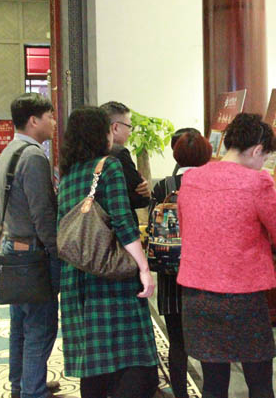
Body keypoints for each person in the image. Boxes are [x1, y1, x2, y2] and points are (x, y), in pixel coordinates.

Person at [176, 113, 276, 398]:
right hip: (242, 299)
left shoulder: (192, 178)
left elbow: (188, 231)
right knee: (259, 384)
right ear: (257, 150)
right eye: (265, 157)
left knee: (213, 385)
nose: (263, 164)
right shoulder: (257, 182)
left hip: (197, 296)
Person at [57, 107, 158, 398]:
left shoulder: (68, 174)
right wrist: (143, 268)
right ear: (101, 133)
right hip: (111, 276)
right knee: (133, 358)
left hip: (77, 276)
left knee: (95, 362)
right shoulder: (108, 166)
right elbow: (123, 222)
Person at [0, 92, 61, 398]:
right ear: (34, 120)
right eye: (50, 116)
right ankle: (32, 391)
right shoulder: (34, 157)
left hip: (13, 248)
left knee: (20, 325)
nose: (54, 122)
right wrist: (57, 251)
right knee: (40, 326)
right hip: (34, 252)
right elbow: (43, 214)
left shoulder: (10, 150)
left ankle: (21, 384)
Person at [149, 129, 212, 398]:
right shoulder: (212, 184)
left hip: (171, 271)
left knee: (177, 343)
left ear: (176, 156)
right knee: (208, 343)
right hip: (205, 275)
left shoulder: (163, 186)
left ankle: (180, 395)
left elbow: (153, 226)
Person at [100, 101, 151, 226]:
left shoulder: (85, 154)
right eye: (129, 127)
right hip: (118, 227)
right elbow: (141, 198)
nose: (130, 133)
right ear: (115, 127)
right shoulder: (119, 153)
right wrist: (146, 191)